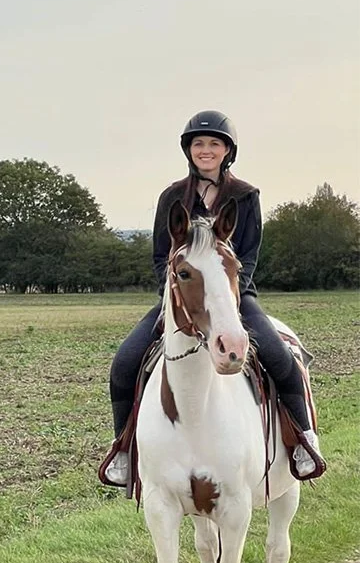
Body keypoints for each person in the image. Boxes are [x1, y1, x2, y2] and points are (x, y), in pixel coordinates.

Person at [100, 110, 326, 492]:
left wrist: (230, 299)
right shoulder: (172, 197)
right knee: (124, 364)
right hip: (182, 297)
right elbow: (161, 256)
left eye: (214, 144)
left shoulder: (245, 196)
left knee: (279, 358)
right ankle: (124, 451)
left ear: (227, 151)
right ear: (188, 150)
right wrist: (175, 296)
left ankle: (302, 439)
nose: (206, 150)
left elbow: (249, 254)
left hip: (235, 297)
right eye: (198, 144)